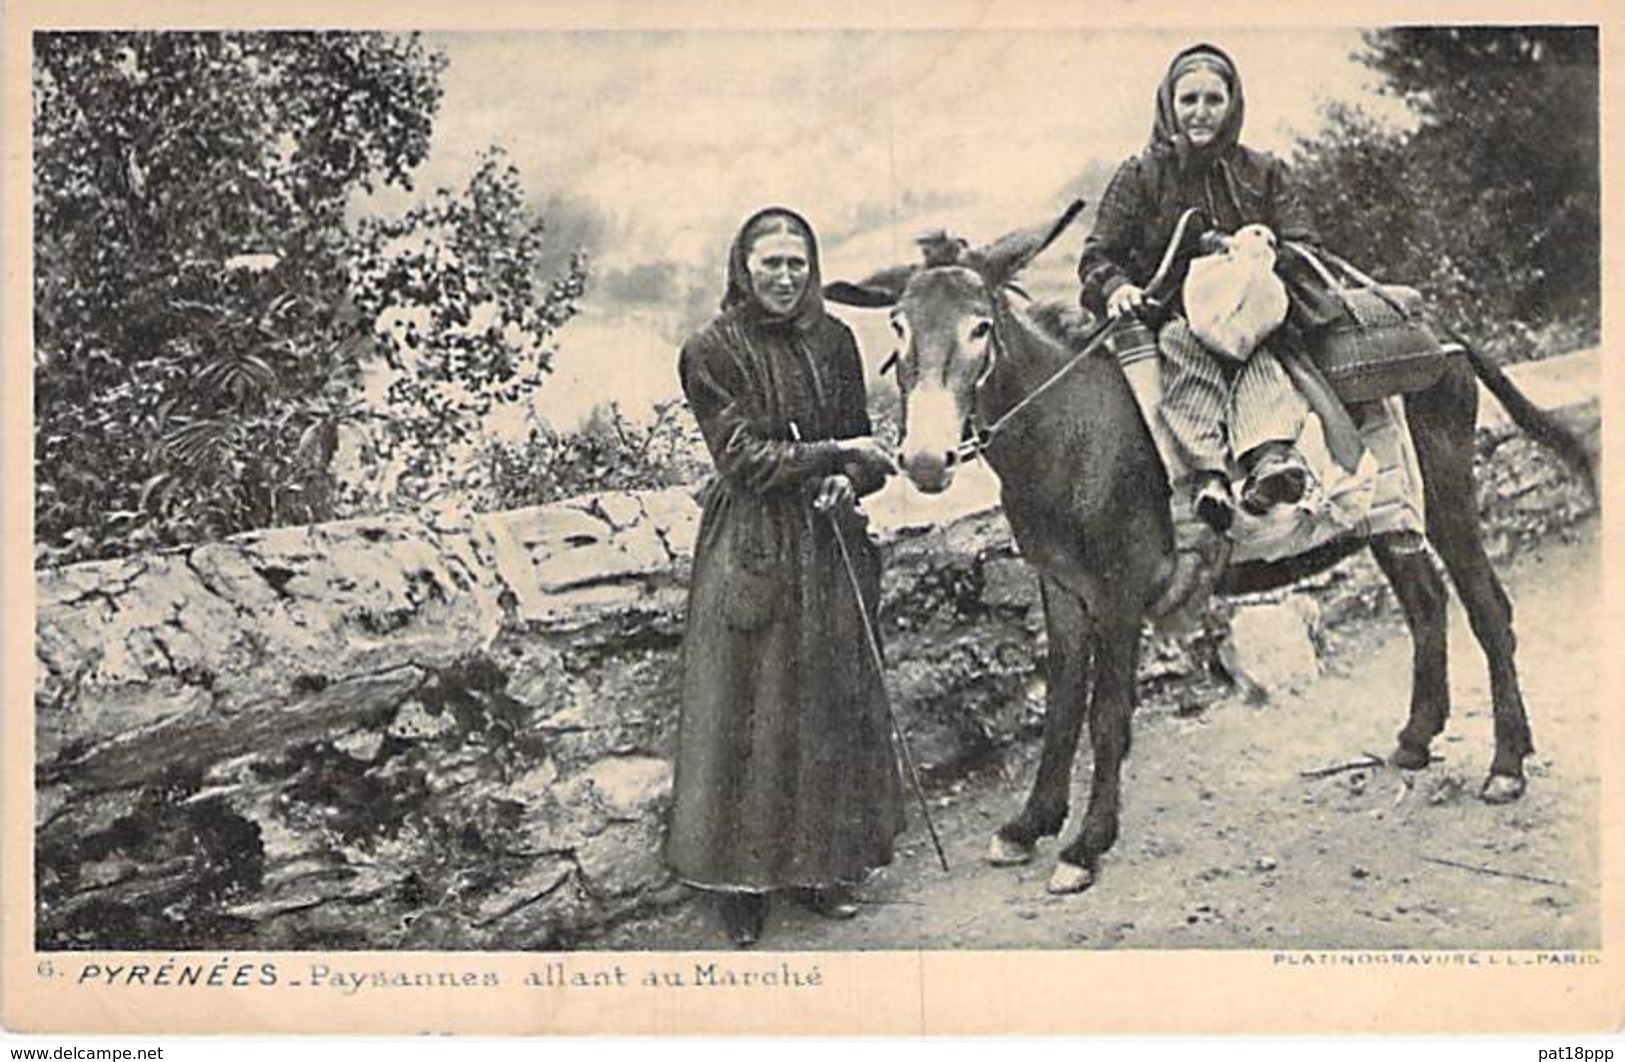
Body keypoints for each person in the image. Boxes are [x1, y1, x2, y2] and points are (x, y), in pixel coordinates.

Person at [664, 207, 904, 948]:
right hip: (754, 546)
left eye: (797, 263)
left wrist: (848, 481)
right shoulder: (710, 350)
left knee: (825, 707)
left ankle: (820, 866)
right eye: (769, 262)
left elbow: (860, 449)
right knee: (750, 713)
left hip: (825, 546)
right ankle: (740, 887)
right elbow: (743, 460)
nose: (784, 276)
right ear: (743, 267)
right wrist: (837, 452)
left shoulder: (835, 340)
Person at [1079, 43, 1331, 532]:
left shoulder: (1264, 172)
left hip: (1248, 316)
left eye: (1213, 100)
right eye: (1188, 99)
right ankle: (1208, 476)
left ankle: (1270, 459)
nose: (1200, 113)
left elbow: (1306, 243)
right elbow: (1097, 255)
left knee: (1260, 357)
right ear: (1168, 103)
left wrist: (1265, 248)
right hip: (1174, 316)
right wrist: (1116, 288)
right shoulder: (1141, 175)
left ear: (1232, 104)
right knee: (1181, 349)